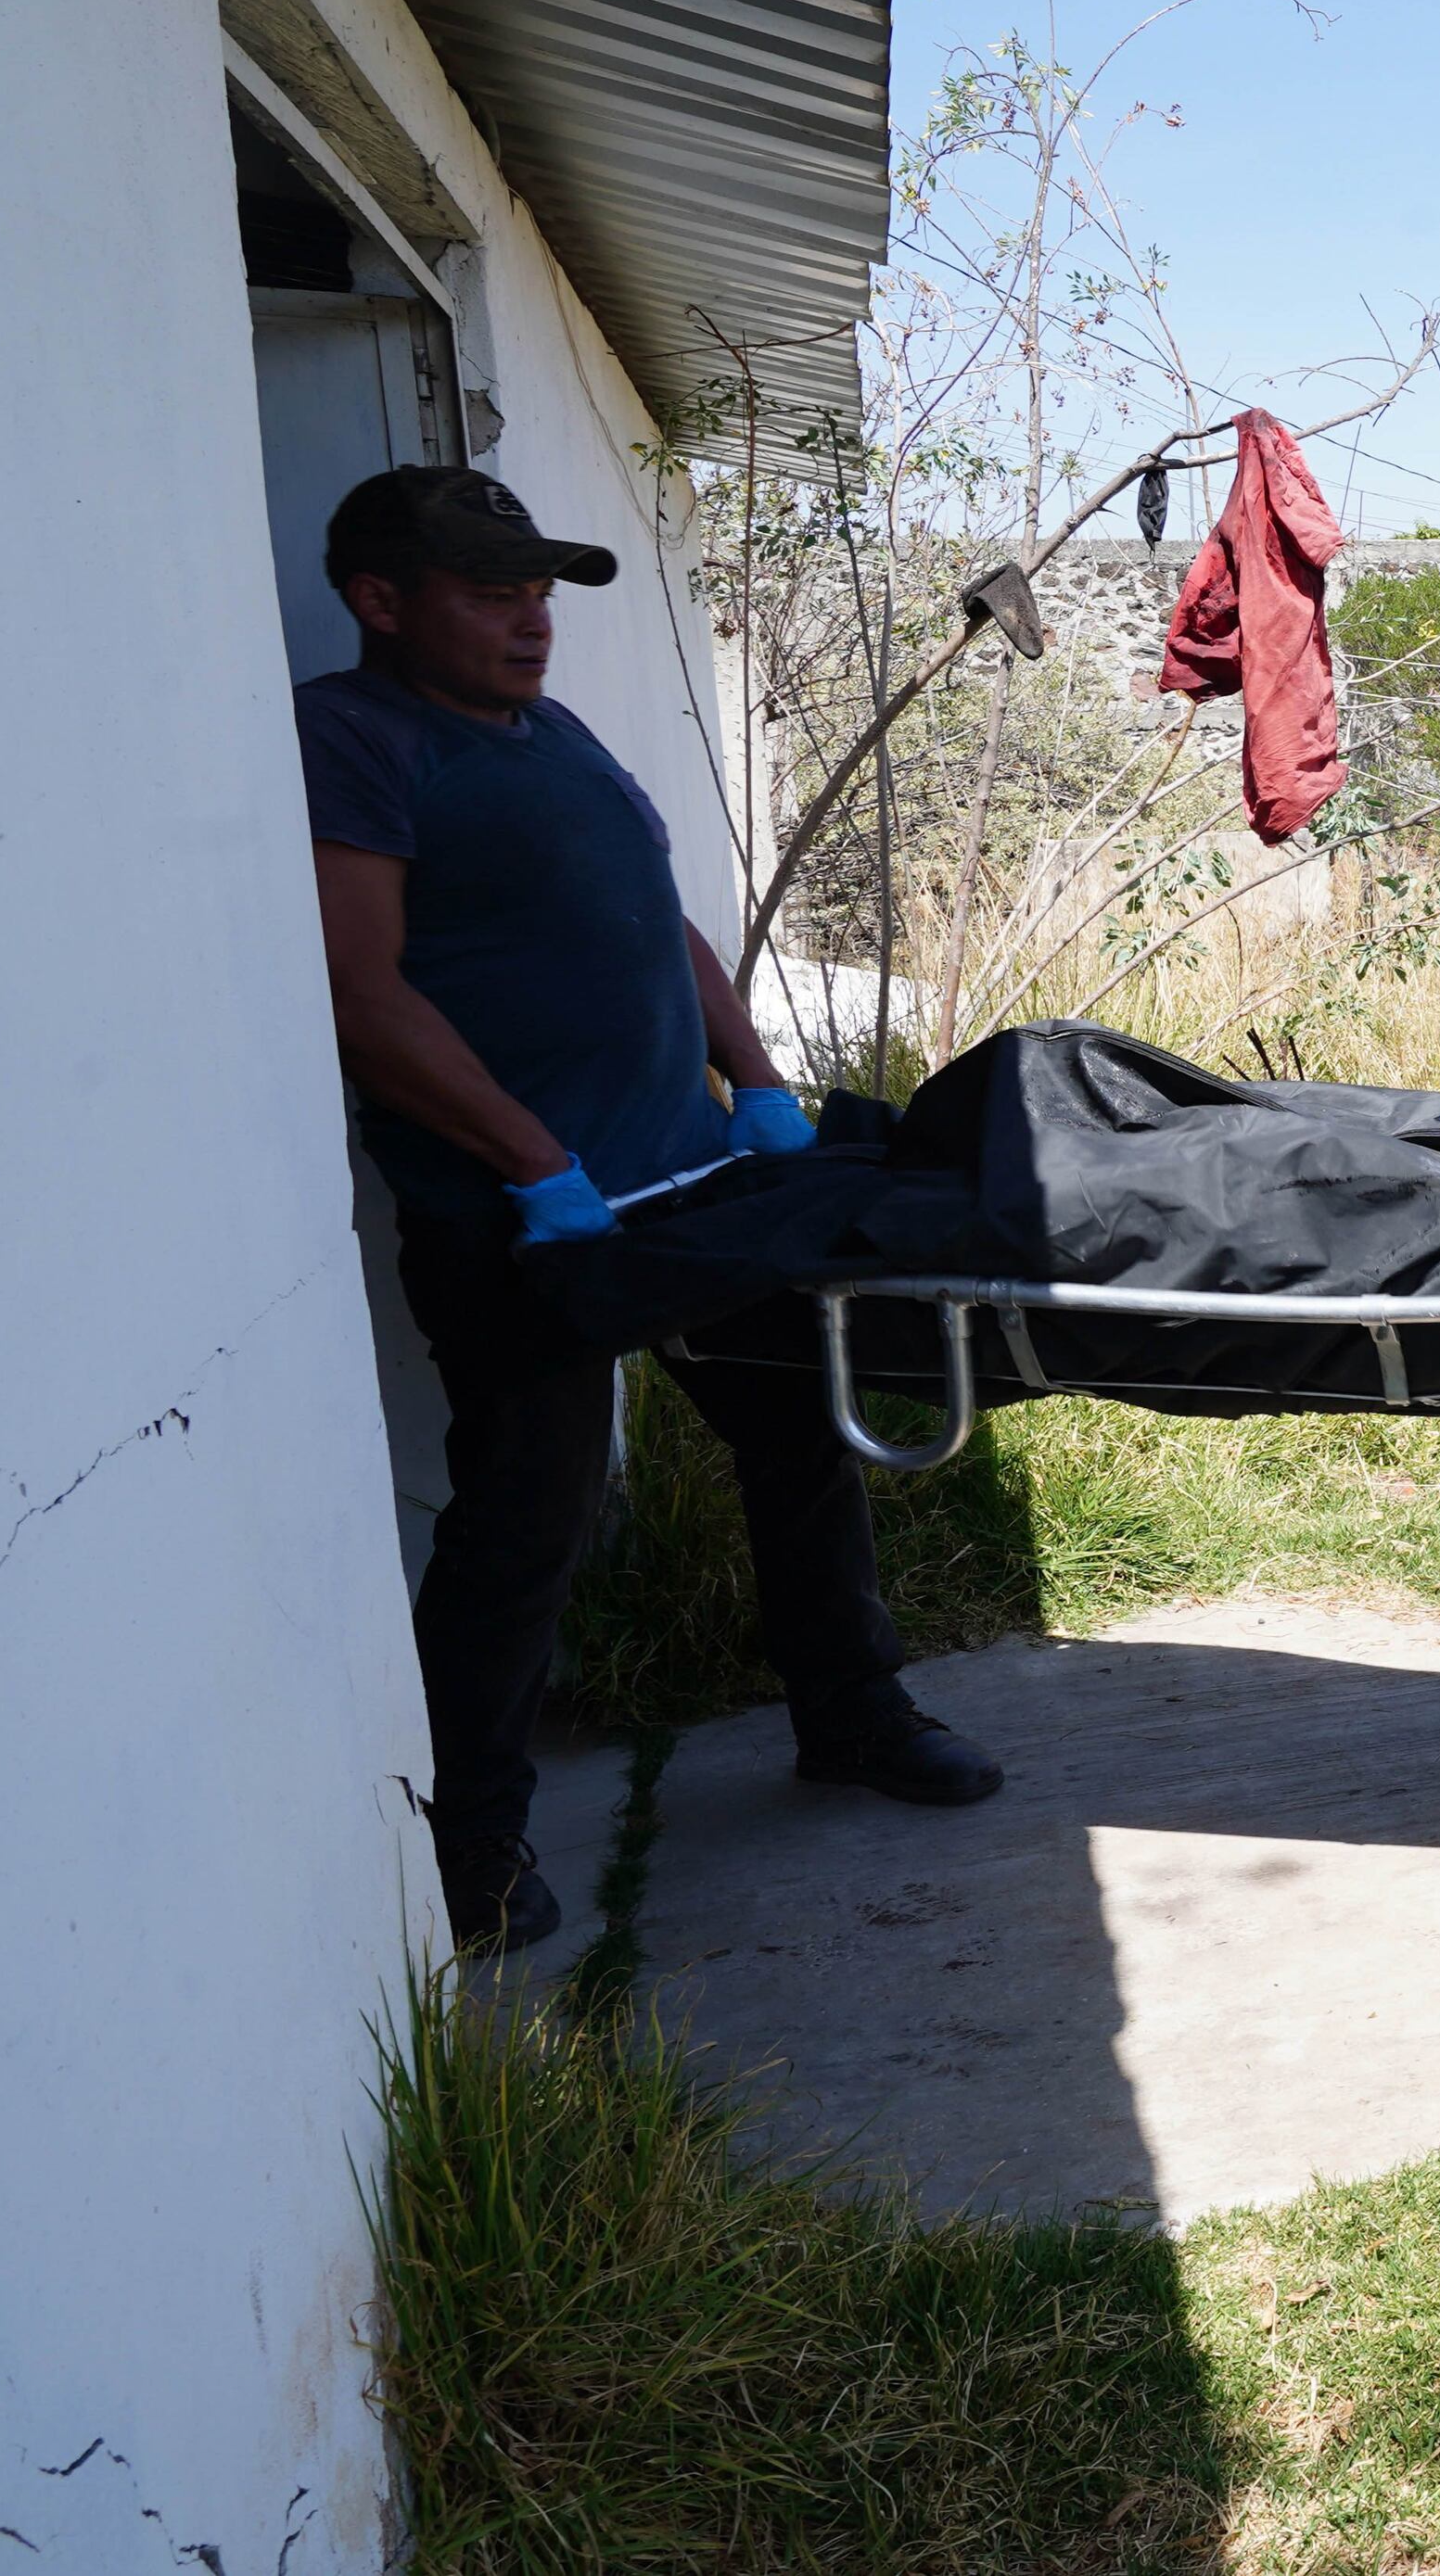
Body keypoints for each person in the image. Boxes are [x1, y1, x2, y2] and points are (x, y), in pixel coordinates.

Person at [297, 465, 1000, 1960]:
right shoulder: (352, 739)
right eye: (492, 593)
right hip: (529, 1223)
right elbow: (362, 993)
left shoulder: (551, 731)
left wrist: (753, 1077)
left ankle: (852, 1716)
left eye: (540, 590)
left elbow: (655, 912)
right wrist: (532, 1157)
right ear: (379, 600)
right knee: (523, 1523)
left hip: (696, 1186)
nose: (531, 621)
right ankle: (474, 1846)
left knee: (802, 1442)